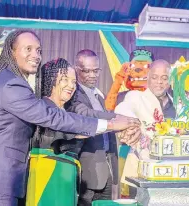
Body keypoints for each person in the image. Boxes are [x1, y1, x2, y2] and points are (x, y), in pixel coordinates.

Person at [0, 30, 141, 206]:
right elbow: (53, 119)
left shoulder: (10, 81)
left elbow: (77, 118)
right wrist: (112, 124)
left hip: (4, 181)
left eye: (39, 50)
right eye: (28, 49)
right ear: (11, 51)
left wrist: (121, 123)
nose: (36, 55)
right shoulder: (12, 84)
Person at [66, 49, 140, 205]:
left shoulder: (98, 95)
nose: (93, 75)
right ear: (76, 69)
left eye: (96, 70)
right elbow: (86, 115)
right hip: (87, 170)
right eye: (87, 71)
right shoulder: (73, 93)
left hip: (105, 167)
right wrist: (118, 119)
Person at [115, 59, 176, 198]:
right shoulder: (136, 97)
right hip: (139, 174)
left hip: (170, 176)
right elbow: (122, 109)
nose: (159, 82)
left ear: (170, 80)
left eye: (164, 78)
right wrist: (131, 124)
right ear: (148, 77)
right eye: (154, 77)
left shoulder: (178, 105)